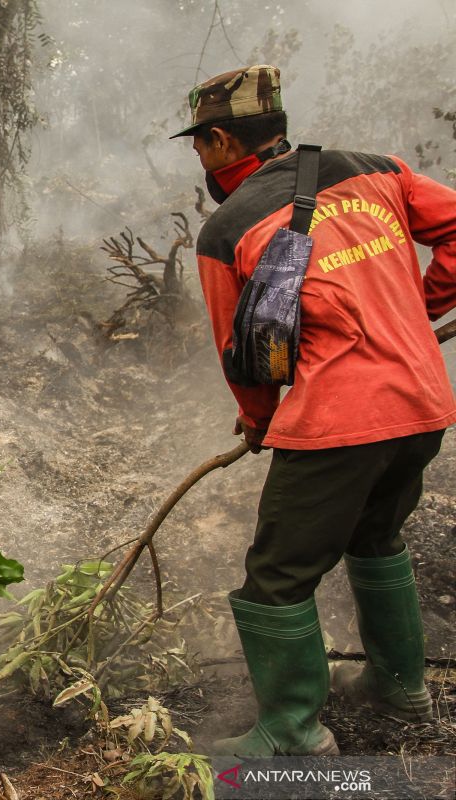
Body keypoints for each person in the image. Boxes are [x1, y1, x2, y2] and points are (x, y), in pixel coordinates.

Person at [173, 65, 456, 757]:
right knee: (373, 538)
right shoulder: (374, 168)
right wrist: (423, 311)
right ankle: (401, 689)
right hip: (424, 404)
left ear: (218, 140)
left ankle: (292, 734)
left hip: (342, 420)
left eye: (198, 146)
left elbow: (240, 357)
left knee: (275, 577)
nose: (199, 159)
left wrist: (261, 421)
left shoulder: (227, 227)